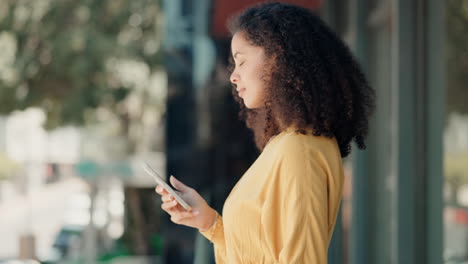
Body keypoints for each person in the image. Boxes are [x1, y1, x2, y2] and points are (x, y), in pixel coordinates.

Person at [155, 2, 375, 263]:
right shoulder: (287, 145)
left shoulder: (300, 151)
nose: (233, 76)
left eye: (241, 61)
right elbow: (258, 253)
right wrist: (209, 222)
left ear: (278, 57)